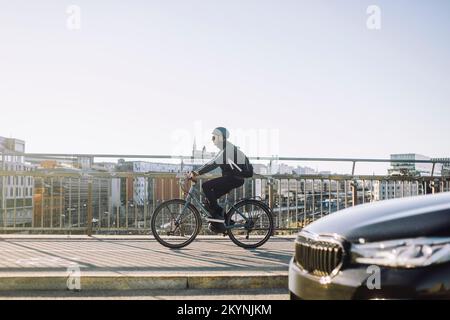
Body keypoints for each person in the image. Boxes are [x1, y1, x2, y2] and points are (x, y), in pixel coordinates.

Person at [188, 127, 253, 233]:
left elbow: (213, 164)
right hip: (232, 178)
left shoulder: (228, 149)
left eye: (214, 137)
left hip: (233, 179)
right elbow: (212, 162)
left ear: (221, 138)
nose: (212, 140)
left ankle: (218, 218)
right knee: (209, 201)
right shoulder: (225, 149)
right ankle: (225, 222)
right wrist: (197, 171)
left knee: (206, 186)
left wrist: (196, 173)